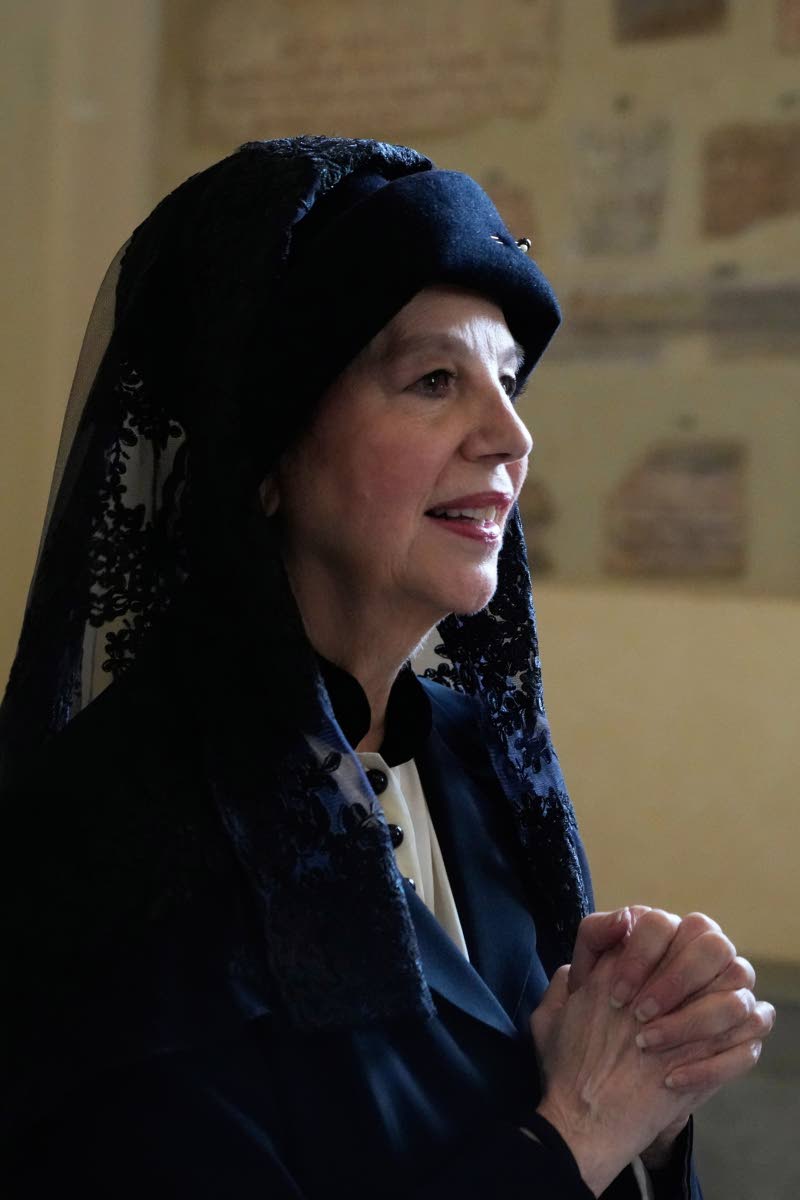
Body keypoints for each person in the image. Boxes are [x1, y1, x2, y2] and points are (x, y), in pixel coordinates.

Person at [0, 136, 773, 1198]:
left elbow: (565, 1110)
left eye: (507, 382)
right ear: (261, 461)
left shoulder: (477, 759)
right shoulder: (106, 842)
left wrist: (649, 1091)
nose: (509, 436)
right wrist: (580, 1131)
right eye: (432, 381)